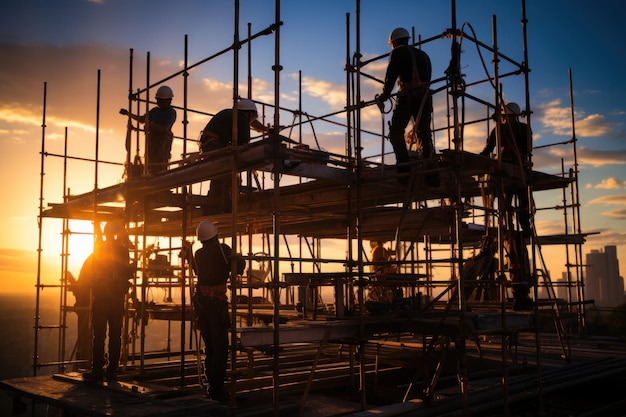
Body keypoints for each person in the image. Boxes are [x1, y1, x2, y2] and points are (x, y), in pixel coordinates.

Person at [191, 221, 244, 404]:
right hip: (216, 305)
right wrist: (237, 259)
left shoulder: (198, 253)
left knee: (210, 347)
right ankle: (216, 390)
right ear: (215, 234)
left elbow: (198, 272)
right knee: (220, 348)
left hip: (202, 304)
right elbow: (239, 269)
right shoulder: (223, 249)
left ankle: (211, 386)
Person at [376, 27, 437, 186]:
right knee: (424, 133)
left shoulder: (397, 52)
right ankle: (431, 173)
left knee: (395, 133)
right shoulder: (424, 55)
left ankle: (404, 170)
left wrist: (384, 95)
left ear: (394, 42)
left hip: (407, 96)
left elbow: (391, 76)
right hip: (424, 96)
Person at [83, 220, 134, 380]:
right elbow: (127, 271)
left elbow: (98, 265)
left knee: (99, 336)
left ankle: (97, 368)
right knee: (115, 335)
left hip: (102, 298)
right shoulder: (124, 250)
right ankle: (112, 367)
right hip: (116, 299)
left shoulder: (101, 247)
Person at [199, 98, 268, 214]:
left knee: (219, 175)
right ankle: (224, 207)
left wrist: (266, 130)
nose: (251, 121)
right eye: (252, 116)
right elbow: (244, 146)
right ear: (248, 113)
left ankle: (215, 206)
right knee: (226, 175)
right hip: (214, 144)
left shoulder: (232, 115)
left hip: (209, 144)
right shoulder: (240, 120)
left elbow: (253, 123)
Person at [480, 102, 532, 234]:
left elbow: (487, 150)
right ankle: (525, 227)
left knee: (506, 200)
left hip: (505, 170)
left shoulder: (498, 129)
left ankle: (509, 226)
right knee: (523, 200)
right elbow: (528, 149)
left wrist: (476, 160)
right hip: (521, 169)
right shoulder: (525, 128)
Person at [120, 85, 177, 174]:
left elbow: (162, 128)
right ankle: (149, 173)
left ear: (169, 101)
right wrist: (128, 114)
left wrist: (150, 124)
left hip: (162, 142)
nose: (159, 103)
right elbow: (142, 119)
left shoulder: (171, 112)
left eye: (161, 101)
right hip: (152, 141)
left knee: (160, 164)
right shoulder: (154, 111)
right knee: (149, 163)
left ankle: (159, 176)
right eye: (158, 100)